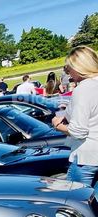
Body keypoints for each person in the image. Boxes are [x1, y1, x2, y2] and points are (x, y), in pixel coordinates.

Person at [52, 46, 98, 187]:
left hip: (86, 157)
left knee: (76, 201)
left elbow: (79, 131)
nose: (68, 72)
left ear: (79, 67)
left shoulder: (83, 89)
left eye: (69, 68)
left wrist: (58, 125)